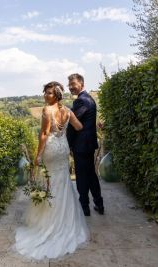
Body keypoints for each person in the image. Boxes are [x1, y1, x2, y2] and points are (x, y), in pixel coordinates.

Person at [13, 81, 90, 261]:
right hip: (63, 149)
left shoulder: (47, 111)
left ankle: (50, 224)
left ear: (56, 95)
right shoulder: (68, 111)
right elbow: (79, 127)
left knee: (51, 183)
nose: (45, 96)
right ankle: (66, 222)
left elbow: (44, 134)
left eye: (48, 93)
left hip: (51, 150)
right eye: (45, 93)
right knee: (62, 182)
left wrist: (38, 155)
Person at [66, 73, 104, 216]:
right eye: (69, 85)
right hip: (88, 144)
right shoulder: (89, 99)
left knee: (82, 177)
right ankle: (99, 205)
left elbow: (75, 125)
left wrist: (68, 144)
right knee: (91, 175)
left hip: (81, 146)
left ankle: (84, 208)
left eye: (73, 84)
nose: (70, 87)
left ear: (81, 84)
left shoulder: (81, 101)